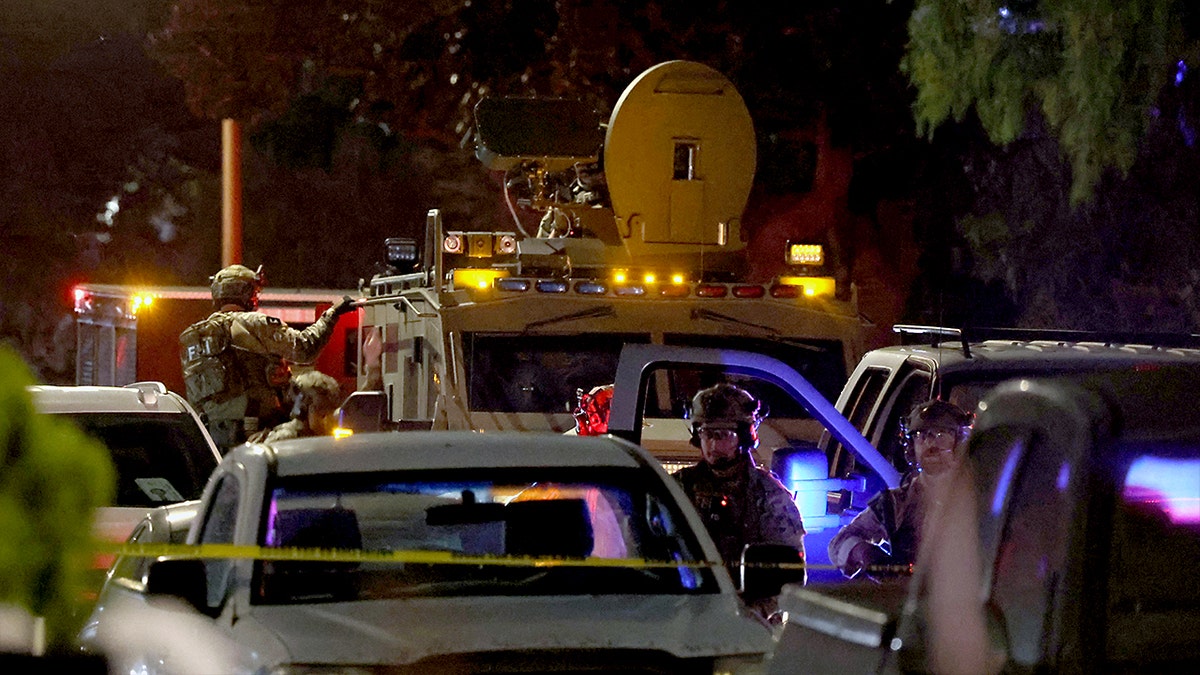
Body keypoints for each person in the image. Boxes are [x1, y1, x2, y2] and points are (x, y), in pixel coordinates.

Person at [179, 264, 355, 451]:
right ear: (246, 293)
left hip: (211, 441)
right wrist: (332, 313)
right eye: (255, 292)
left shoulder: (192, 337)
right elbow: (305, 348)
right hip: (255, 436)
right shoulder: (253, 323)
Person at [672, 383, 807, 610]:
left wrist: (756, 612)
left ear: (743, 437)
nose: (713, 444)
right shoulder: (678, 487)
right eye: (707, 434)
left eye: (723, 435)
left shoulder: (768, 495)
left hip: (749, 614)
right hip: (685, 609)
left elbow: (789, 575)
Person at [828, 399, 975, 579]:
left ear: (960, 443)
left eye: (940, 434)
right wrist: (865, 553)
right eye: (921, 436)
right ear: (911, 445)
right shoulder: (896, 503)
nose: (930, 444)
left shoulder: (986, 497)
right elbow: (838, 543)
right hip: (907, 594)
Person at [249, 370, 344, 442]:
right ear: (303, 410)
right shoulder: (285, 440)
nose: (329, 418)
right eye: (321, 410)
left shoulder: (327, 440)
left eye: (331, 410)